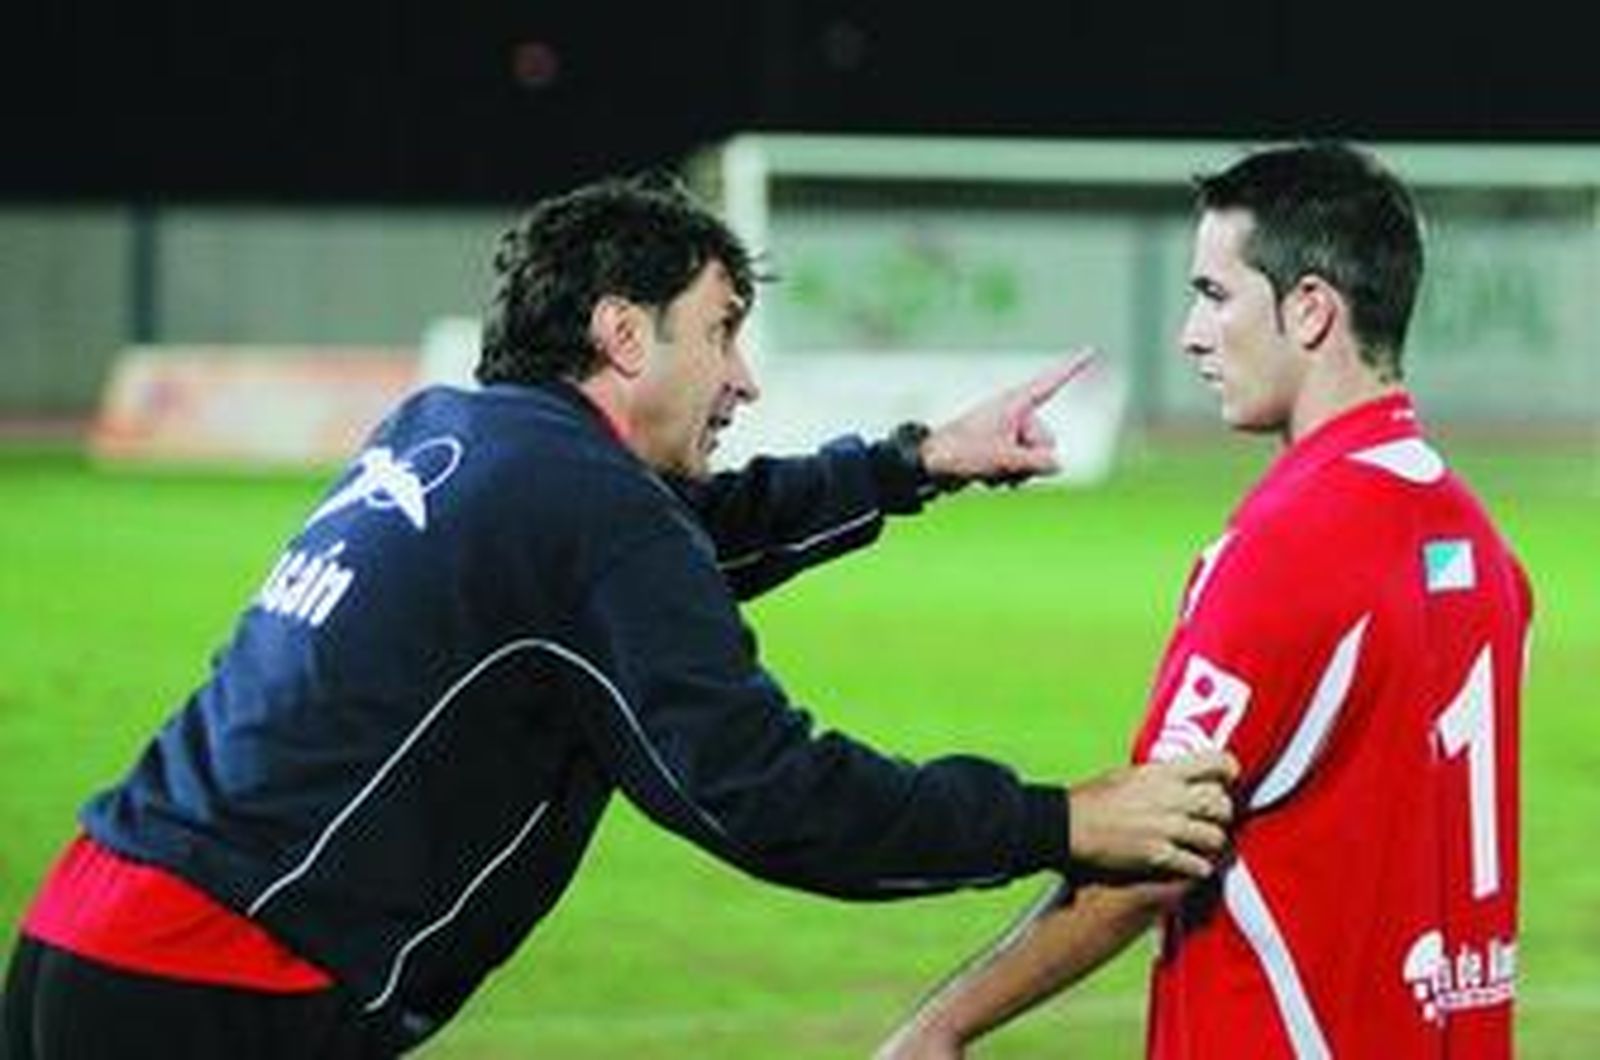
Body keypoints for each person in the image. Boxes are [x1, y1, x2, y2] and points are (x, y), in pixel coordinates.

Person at [1, 173, 1239, 1059]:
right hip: (211, 994)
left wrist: (912, 462)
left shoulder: (455, 433)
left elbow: (674, 548)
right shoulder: (588, 509)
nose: (746, 377)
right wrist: (1057, 819)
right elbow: (762, 791)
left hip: (85, 939)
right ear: (621, 332)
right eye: (724, 333)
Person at [877, 143, 1533, 1059]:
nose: (1190, 332)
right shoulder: (1479, 542)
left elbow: (1148, 848)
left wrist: (939, 1028)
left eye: (1217, 295)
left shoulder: (1289, 545)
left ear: (1310, 309)